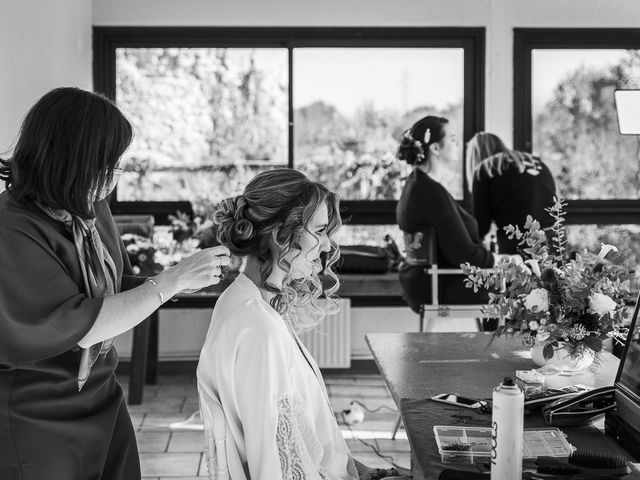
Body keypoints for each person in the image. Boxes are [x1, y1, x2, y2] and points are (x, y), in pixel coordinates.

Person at [0, 87, 231, 480]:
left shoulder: (89, 207)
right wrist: (168, 282)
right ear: (71, 159)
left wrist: (179, 283)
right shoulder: (12, 229)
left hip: (102, 397)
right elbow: (84, 325)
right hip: (37, 413)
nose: (113, 179)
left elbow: (114, 286)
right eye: (109, 166)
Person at [196, 169, 409, 480]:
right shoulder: (258, 329)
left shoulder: (248, 302)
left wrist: (364, 472)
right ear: (280, 231)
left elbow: (302, 441)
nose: (326, 246)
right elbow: (278, 467)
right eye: (319, 230)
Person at [396, 116, 506, 313]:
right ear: (436, 149)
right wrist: (505, 260)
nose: (458, 145)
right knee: (524, 286)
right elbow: (466, 256)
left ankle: (491, 342)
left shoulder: (417, 184)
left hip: (425, 282)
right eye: (453, 139)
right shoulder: (430, 192)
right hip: (442, 285)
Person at [466, 132, 557, 254]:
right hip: (555, 237)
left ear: (475, 158)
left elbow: (481, 228)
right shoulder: (535, 162)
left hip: (518, 240)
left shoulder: (485, 169)